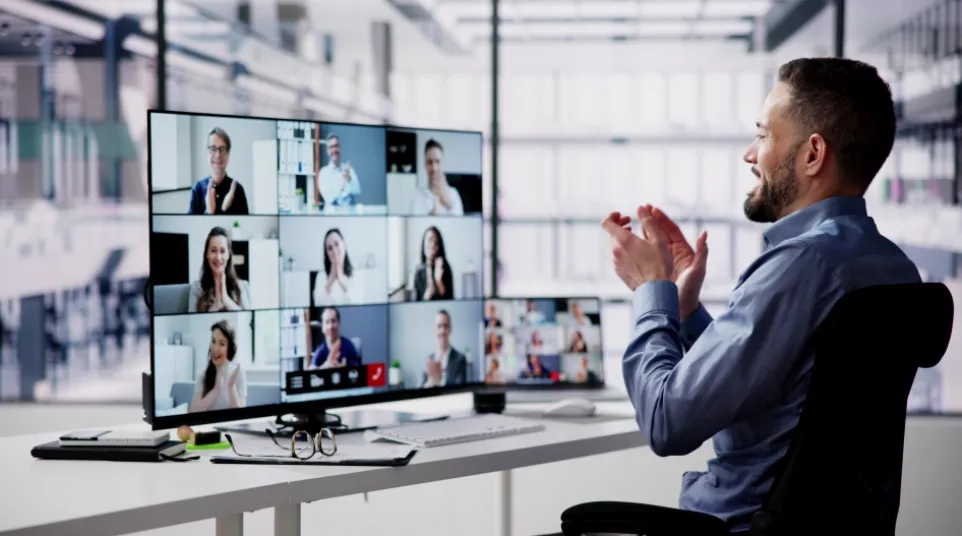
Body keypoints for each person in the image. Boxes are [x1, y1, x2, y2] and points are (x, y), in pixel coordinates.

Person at [601, 58, 920, 532]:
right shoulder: (892, 268)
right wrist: (685, 313)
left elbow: (667, 421)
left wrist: (653, 290)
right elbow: (783, 397)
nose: (750, 154)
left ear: (812, 154)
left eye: (764, 135)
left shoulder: (801, 266)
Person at [188, 127, 250, 215]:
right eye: (213, 149)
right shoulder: (197, 189)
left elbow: (244, 226)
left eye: (222, 149)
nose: (218, 155)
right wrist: (209, 212)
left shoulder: (238, 190)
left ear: (228, 155)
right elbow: (192, 227)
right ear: (207, 153)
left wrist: (226, 210)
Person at [189, 227, 252, 312]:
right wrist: (217, 303)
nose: (218, 257)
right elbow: (192, 322)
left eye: (222, 251)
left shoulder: (242, 286)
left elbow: (247, 320)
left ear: (228, 255)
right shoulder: (196, 288)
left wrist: (225, 299)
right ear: (207, 254)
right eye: (213, 251)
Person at [190, 320, 247, 412]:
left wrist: (231, 387)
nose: (215, 348)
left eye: (222, 344)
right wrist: (216, 390)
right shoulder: (203, 374)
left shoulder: (238, 373)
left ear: (229, 349)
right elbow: (193, 411)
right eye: (213, 341)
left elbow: (242, 416)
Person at [408, 139, 464, 216]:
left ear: (443, 164)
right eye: (430, 162)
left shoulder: (454, 194)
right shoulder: (416, 196)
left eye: (438, 161)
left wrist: (449, 207)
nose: (434, 168)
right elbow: (414, 227)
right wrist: (432, 216)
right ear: (425, 165)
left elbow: (460, 226)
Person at [313, 228, 365, 306]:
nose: (334, 250)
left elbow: (357, 303)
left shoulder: (357, 274)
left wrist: (341, 280)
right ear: (327, 254)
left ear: (344, 245)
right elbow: (318, 304)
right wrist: (330, 280)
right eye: (330, 248)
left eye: (336, 244)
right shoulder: (321, 276)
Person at [422, 310, 468, 387]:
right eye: (439, 326)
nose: (442, 331)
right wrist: (430, 382)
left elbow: (460, 390)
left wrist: (440, 381)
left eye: (446, 326)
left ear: (450, 329)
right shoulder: (429, 359)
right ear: (435, 330)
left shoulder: (460, 359)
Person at [314, 133, 361, 207]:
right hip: (332, 216)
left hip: (349, 215)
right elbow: (330, 199)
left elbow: (358, 191)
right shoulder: (323, 173)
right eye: (331, 147)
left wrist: (349, 179)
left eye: (336, 146)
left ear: (340, 148)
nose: (334, 150)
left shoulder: (349, 169)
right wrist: (343, 184)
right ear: (327, 151)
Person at [412, 226, 454, 301]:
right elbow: (415, 303)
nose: (432, 245)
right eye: (430, 240)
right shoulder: (419, 271)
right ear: (423, 244)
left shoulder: (446, 268)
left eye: (436, 242)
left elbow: (450, 299)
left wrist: (439, 281)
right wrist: (428, 293)